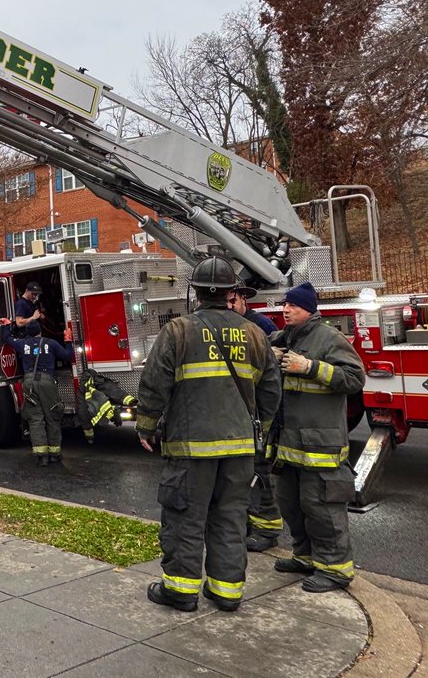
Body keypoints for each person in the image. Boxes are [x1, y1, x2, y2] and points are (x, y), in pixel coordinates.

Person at [136, 257, 281, 613]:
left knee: (185, 518)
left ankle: (181, 591)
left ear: (195, 292)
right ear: (232, 292)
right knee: (231, 517)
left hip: (190, 449)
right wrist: (259, 427)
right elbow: (272, 391)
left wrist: (146, 425)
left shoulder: (178, 331)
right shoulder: (254, 334)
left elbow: (154, 384)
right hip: (239, 450)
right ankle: (227, 592)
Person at [271, 281, 366, 593]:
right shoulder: (286, 337)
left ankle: (335, 571)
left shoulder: (329, 338)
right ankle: (305, 556)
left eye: (293, 306)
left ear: (309, 309)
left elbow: (354, 379)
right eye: (284, 304)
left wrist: (309, 367)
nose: (285, 310)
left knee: (322, 508)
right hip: (291, 445)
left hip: (320, 446)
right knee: (292, 505)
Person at [229, 284, 284, 551]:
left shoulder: (258, 324)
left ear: (243, 301)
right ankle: (249, 527)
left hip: (257, 419)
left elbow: (271, 381)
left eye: (233, 300)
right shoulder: (225, 327)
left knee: (258, 474)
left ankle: (267, 531)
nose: (229, 305)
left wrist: (264, 423)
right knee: (242, 478)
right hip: (237, 418)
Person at [1, 320, 73, 466]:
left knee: (35, 419)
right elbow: (68, 356)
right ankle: (54, 454)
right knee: (52, 417)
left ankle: (41, 456)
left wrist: (6, 325)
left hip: (29, 384)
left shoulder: (23, 344)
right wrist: (68, 340)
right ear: (40, 331)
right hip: (47, 383)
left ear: (28, 332)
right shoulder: (51, 343)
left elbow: (6, 338)